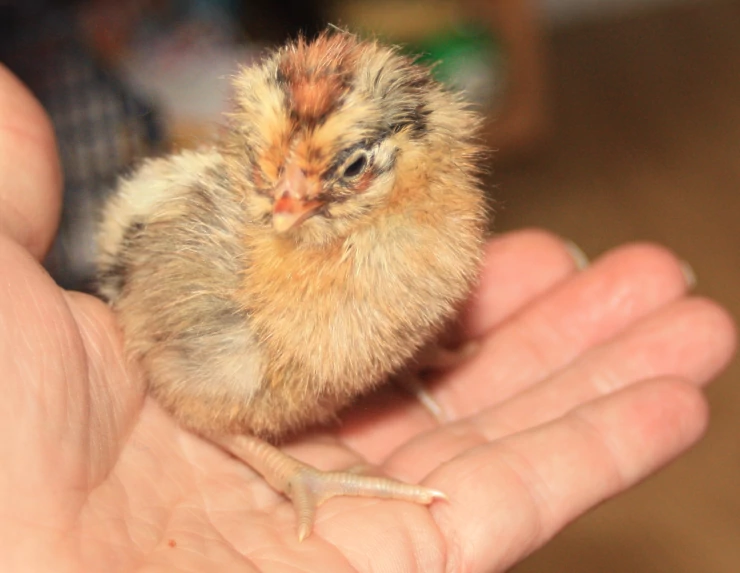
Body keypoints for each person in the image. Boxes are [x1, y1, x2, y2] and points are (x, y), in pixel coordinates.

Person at [0, 63, 734, 572]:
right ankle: (284, 468)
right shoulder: (232, 263)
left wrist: (398, 346)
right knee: (227, 371)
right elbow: (190, 385)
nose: (285, 204)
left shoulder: (436, 223)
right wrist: (290, 470)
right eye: (270, 167)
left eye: (349, 169)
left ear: (420, 159)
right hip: (191, 308)